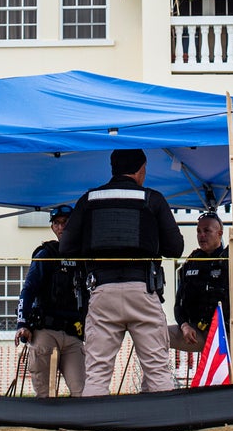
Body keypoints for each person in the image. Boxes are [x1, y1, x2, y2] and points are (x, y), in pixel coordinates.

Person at [59, 149, 184, 396]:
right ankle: (166, 430)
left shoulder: (89, 200)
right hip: (143, 290)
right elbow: (175, 248)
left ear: (113, 168)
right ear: (141, 170)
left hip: (102, 291)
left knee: (97, 373)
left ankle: (93, 430)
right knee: (157, 370)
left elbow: (66, 248)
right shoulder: (153, 199)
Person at [168, 211, 233, 357]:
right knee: (157, 334)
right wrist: (185, 326)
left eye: (207, 231)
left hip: (230, 335)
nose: (201, 235)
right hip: (198, 333)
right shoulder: (192, 262)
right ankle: (160, 378)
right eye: (198, 231)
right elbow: (178, 305)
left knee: (232, 380)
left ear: (219, 233)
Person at [15, 204, 88, 397]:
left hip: (74, 334)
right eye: (57, 223)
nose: (61, 227)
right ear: (52, 227)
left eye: (66, 223)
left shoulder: (85, 256)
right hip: (46, 331)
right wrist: (22, 323)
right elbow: (28, 290)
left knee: (82, 392)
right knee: (45, 395)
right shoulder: (46, 254)